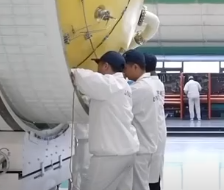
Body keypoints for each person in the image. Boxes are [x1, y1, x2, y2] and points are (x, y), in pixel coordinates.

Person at [70, 51, 138, 190]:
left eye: (99, 65)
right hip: (127, 152)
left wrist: (67, 71)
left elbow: (81, 76)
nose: (97, 69)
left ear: (106, 66)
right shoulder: (123, 86)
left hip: (110, 156)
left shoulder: (110, 84)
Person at [124, 50, 160, 190]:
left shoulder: (138, 89)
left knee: (138, 185)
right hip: (148, 143)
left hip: (141, 146)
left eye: (125, 68)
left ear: (135, 67)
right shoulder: (150, 84)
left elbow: (119, 105)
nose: (124, 73)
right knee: (141, 183)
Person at [144, 55, 167, 190]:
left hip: (150, 135)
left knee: (149, 177)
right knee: (154, 175)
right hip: (158, 132)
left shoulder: (144, 86)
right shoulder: (158, 83)